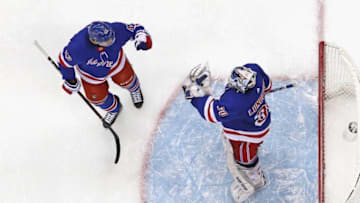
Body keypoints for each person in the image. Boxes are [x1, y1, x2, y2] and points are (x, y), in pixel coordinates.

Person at [183, 63, 272, 202]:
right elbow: (268, 85)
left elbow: (211, 113)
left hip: (249, 135)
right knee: (245, 146)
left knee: (245, 157)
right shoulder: (254, 70)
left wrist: (195, 98)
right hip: (258, 123)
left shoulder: (235, 102)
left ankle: (256, 178)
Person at [58, 21, 152, 128]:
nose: (111, 41)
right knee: (97, 97)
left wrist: (142, 38)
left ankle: (134, 89)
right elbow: (64, 63)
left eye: (111, 38)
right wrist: (70, 80)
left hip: (116, 64)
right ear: (94, 40)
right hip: (91, 75)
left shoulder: (115, 30)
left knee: (127, 79)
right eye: (107, 41)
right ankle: (114, 109)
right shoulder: (77, 47)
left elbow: (135, 29)